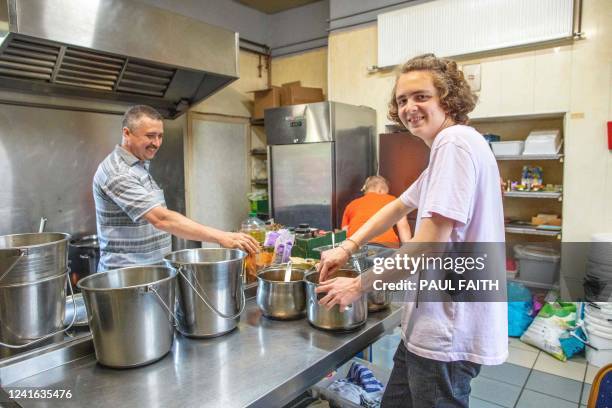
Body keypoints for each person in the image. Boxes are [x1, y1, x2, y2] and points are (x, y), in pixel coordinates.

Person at [316, 54, 508, 407]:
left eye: (421, 96)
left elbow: (429, 245)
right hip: (427, 327)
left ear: (447, 98)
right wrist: (348, 246)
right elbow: (398, 205)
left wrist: (358, 285)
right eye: (402, 100)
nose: (409, 107)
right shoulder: (448, 148)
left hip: (447, 330)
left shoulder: (454, 144)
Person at [93, 105, 258, 271]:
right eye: (150, 136)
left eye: (160, 136)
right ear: (126, 133)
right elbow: (161, 219)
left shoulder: (139, 164)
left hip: (151, 274)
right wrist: (221, 237)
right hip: (126, 279)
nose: (156, 143)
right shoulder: (117, 172)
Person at [341, 175, 412, 247]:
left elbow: (344, 232)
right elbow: (403, 227)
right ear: (380, 190)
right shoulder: (392, 200)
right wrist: (408, 250)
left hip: (356, 246)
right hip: (385, 245)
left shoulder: (351, 204)